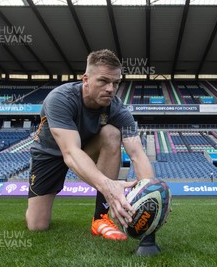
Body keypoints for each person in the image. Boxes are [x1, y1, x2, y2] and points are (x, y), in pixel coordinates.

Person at [26, 49, 155, 240]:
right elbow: (70, 152)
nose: (111, 88)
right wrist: (109, 186)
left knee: (111, 133)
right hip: (50, 155)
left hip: (86, 151)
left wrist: (153, 193)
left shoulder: (119, 110)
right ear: (85, 79)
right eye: (103, 81)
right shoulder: (60, 99)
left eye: (115, 83)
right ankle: (32, 211)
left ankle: (101, 219)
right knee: (37, 225)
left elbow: (137, 153)